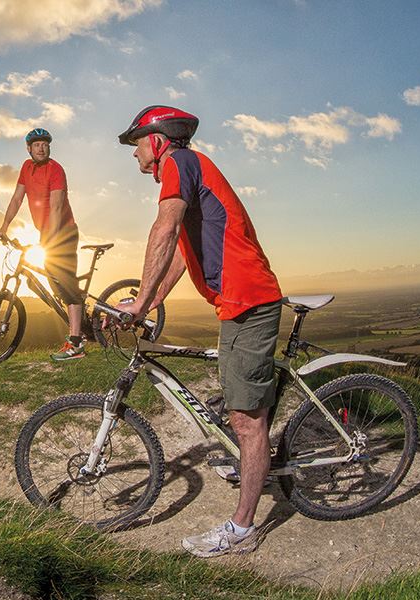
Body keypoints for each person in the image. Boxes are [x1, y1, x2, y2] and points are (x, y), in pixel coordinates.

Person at [114, 105, 284, 557]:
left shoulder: (179, 162)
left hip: (248, 303)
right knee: (238, 405)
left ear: (157, 140)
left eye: (136, 146)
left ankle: (242, 531)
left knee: (248, 423)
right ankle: (255, 454)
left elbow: (164, 230)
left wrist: (139, 306)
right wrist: (147, 301)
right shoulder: (188, 167)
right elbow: (178, 259)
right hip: (237, 303)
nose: (135, 156)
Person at [0, 127, 87, 361]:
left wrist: (51, 238)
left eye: (45, 144)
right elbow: (16, 198)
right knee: (56, 284)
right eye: (37, 145)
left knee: (66, 285)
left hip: (63, 232)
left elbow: (55, 207)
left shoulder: (56, 170)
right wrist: (4, 226)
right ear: (29, 148)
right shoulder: (26, 167)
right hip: (47, 233)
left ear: (49, 147)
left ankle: (76, 344)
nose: (41, 147)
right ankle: (79, 315)